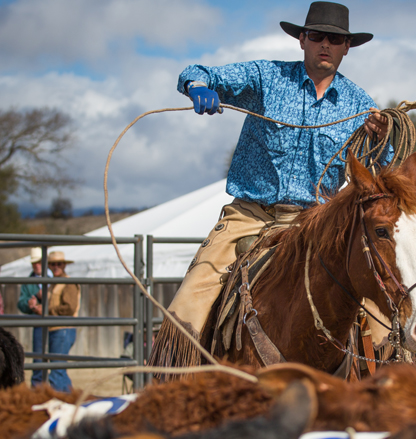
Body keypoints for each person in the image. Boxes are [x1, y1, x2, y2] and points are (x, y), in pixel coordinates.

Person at [150, 2, 389, 367]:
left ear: (347, 47)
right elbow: (196, 72)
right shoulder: (267, 77)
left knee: (377, 315)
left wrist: (383, 140)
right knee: (190, 300)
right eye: (317, 36)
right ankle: (172, 384)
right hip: (250, 215)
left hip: (316, 223)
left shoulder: (361, 106)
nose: (325, 44)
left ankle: (376, 393)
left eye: (335, 38)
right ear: (302, 41)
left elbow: (383, 173)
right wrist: (198, 87)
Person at [29, 251, 80, 392]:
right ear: (49, 266)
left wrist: (47, 310)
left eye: (59, 264)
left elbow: (69, 308)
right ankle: (68, 399)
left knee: (57, 370)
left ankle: (64, 399)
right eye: (53, 264)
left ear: (64, 265)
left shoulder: (68, 283)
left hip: (63, 328)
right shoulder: (53, 284)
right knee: (58, 368)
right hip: (56, 329)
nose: (56, 266)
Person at [17, 248, 53, 386]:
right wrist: (29, 304)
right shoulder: (29, 281)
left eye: (39, 262)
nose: (36, 265)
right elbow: (20, 303)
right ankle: (38, 387)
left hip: (56, 322)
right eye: (34, 263)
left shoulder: (55, 277)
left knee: (56, 358)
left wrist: (45, 300)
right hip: (39, 323)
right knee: (39, 358)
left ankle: (55, 387)